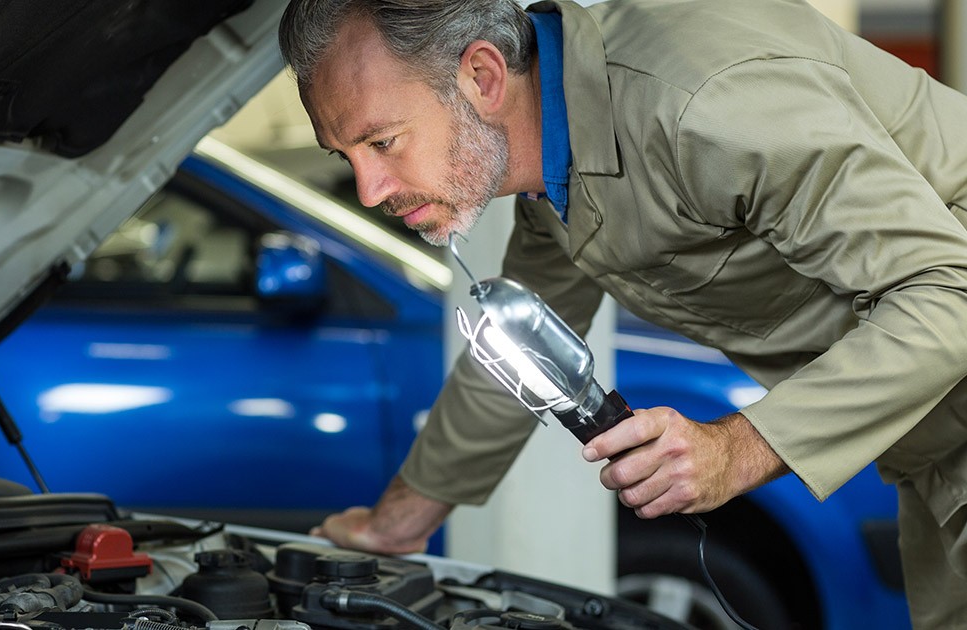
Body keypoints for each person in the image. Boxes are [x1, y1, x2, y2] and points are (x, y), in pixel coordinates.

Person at [277, 0, 967, 626]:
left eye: (383, 142)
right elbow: (521, 350)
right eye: (346, 155)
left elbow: (950, 289)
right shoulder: (557, 173)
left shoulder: (703, 102)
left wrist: (739, 446)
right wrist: (398, 523)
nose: (369, 191)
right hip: (926, 445)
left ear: (483, 77)